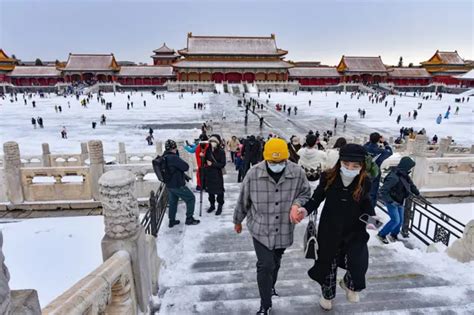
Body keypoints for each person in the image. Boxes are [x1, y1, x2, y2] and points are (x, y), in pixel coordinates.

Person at [233, 138, 311, 315]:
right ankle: (265, 304)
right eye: (273, 161)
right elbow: (243, 200)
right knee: (265, 265)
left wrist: (297, 205)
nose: (277, 164)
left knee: (275, 262)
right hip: (260, 228)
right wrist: (237, 220)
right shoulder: (253, 174)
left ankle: (270, 286)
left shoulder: (297, 172)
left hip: (284, 228)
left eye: (280, 161)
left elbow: (306, 193)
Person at [301, 144, 375, 311]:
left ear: (361, 166)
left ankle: (349, 284)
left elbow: (366, 203)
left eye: (355, 166)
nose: (350, 168)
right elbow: (317, 197)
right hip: (330, 229)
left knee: (358, 262)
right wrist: (305, 209)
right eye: (346, 164)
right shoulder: (328, 176)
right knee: (328, 264)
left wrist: (372, 218)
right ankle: (327, 295)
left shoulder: (365, 181)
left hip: (354, 229)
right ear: (340, 162)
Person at [377, 157, 420, 244]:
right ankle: (381, 234)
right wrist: (390, 201)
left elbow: (411, 185)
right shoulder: (394, 177)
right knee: (395, 220)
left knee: (401, 220)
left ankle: (394, 234)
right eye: (410, 167)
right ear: (406, 166)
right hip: (392, 202)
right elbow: (382, 191)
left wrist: (417, 193)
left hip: (400, 200)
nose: (410, 169)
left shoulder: (404, 175)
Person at [162, 139, 200, 227]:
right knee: (191, 198)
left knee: (173, 202)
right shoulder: (173, 157)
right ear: (173, 148)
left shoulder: (165, 156)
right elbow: (185, 167)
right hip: (177, 184)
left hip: (169, 184)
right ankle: (189, 218)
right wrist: (177, 156)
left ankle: (172, 220)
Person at [364, 132, 393, 209]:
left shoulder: (365, 147)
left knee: (362, 189)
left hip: (364, 171)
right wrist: (384, 142)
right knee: (373, 192)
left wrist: (371, 140)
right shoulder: (380, 151)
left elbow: (366, 145)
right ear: (378, 140)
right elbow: (390, 152)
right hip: (374, 172)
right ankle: (370, 210)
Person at [204, 136, 226, 215]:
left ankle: (220, 206)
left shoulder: (221, 151)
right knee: (210, 192)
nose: (212, 143)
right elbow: (205, 161)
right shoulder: (208, 150)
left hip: (217, 174)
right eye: (211, 141)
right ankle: (212, 205)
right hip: (209, 174)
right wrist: (202, 156)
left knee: (219, 192)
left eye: (214, 141)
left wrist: (212, 164)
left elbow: (222, 164)